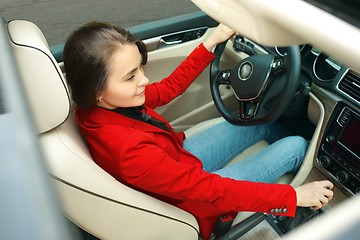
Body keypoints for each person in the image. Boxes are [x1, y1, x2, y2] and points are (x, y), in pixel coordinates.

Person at [63, 22, 334, 240]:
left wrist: (211, 42)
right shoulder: (128, 151)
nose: (144, 79)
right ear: (95, 90)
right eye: (131, 76)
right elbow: (211, 190)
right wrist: (293, 196)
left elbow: (168, 88)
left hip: (176, 162)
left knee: (260, 121)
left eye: (141, 68)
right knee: (297, 145)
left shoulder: (95, 107)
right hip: (191, 202)